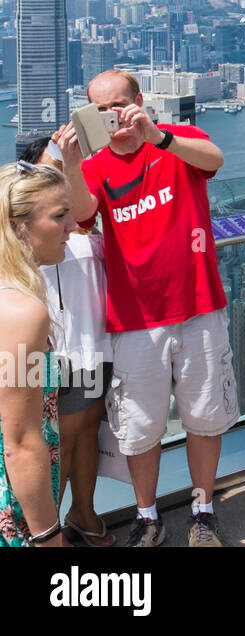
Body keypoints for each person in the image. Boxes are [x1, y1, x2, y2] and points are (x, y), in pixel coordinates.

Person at [56, 69, 235, 548]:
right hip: (133, 317)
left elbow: (214, 157)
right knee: (140, 427)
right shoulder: (95, 168)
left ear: (139, 100)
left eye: (120, 104)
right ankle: (146, 515)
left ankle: (204, 510)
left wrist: (157, 135)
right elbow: (79, 216)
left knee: (204, 417)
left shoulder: (178, 142)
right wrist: (72, 164)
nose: (114, 116)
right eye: (102, 109)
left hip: (198, 305)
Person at [21, 138, 114, 546]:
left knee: (87, 430)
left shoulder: (83, 224)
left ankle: (82, 510)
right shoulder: (26, 237)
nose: (60, 172)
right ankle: (49, 528)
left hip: (93, 345)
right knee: (56, 439)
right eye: (51, 166)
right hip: (52, 355)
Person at [0, 161, 77, 546]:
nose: (73, 227)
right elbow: (22, 442)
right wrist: (49, 536)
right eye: (60, 216)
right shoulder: (22, 313)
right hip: (13, 509)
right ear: (19, 227)